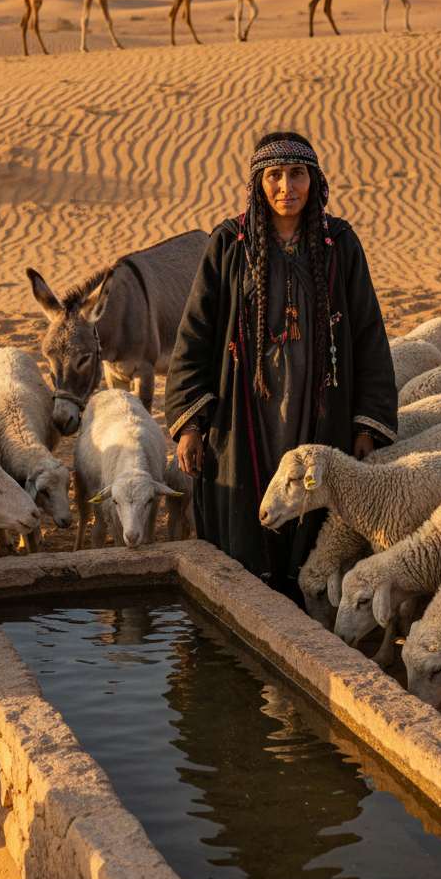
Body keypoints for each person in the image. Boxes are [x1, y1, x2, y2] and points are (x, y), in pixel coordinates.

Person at [164, 131, 397, 595]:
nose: (285, 187)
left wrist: (366, 426)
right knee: (249, 506)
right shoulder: (230, 244)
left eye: (296, 174)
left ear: (313, 180)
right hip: (244, 409)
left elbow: (369, 336)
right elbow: (195, 335)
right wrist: (190, 424)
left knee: (311, 505)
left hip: (320, 406)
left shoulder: (340, 245)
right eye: (274, 176)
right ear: (258, 183)